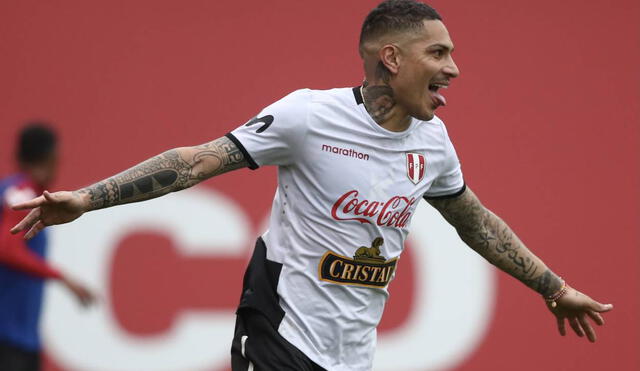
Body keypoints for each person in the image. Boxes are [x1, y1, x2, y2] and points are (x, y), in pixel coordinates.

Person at [9, 1, 613, 370]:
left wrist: (553, 287)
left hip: (353, 354)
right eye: (439, 52)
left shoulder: (434, 143)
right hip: (278, 335)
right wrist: (88, 198)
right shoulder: (307, 116)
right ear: (392, 58)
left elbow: (474, 220)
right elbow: (197, 162)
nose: (454, 68)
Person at [0, 123, 94, 371]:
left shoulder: (17, 192)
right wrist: (63, 277)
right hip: (8, 337)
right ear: (49, 156)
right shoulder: (20, 193)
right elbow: (7, 248)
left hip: (20, 335)